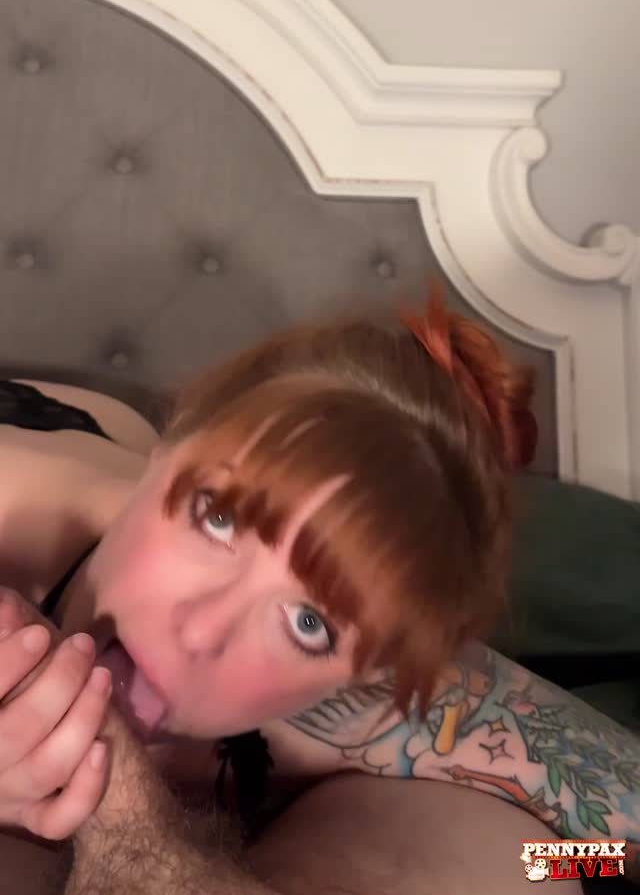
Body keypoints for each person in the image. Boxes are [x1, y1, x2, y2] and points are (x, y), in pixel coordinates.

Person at [0, 286, 637, 894]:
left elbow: (616, 848)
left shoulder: (387, 712)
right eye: (216, 518)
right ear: (169, 448)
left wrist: (563, 865)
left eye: (309, 623)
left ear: (367, 672)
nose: (202, 629)